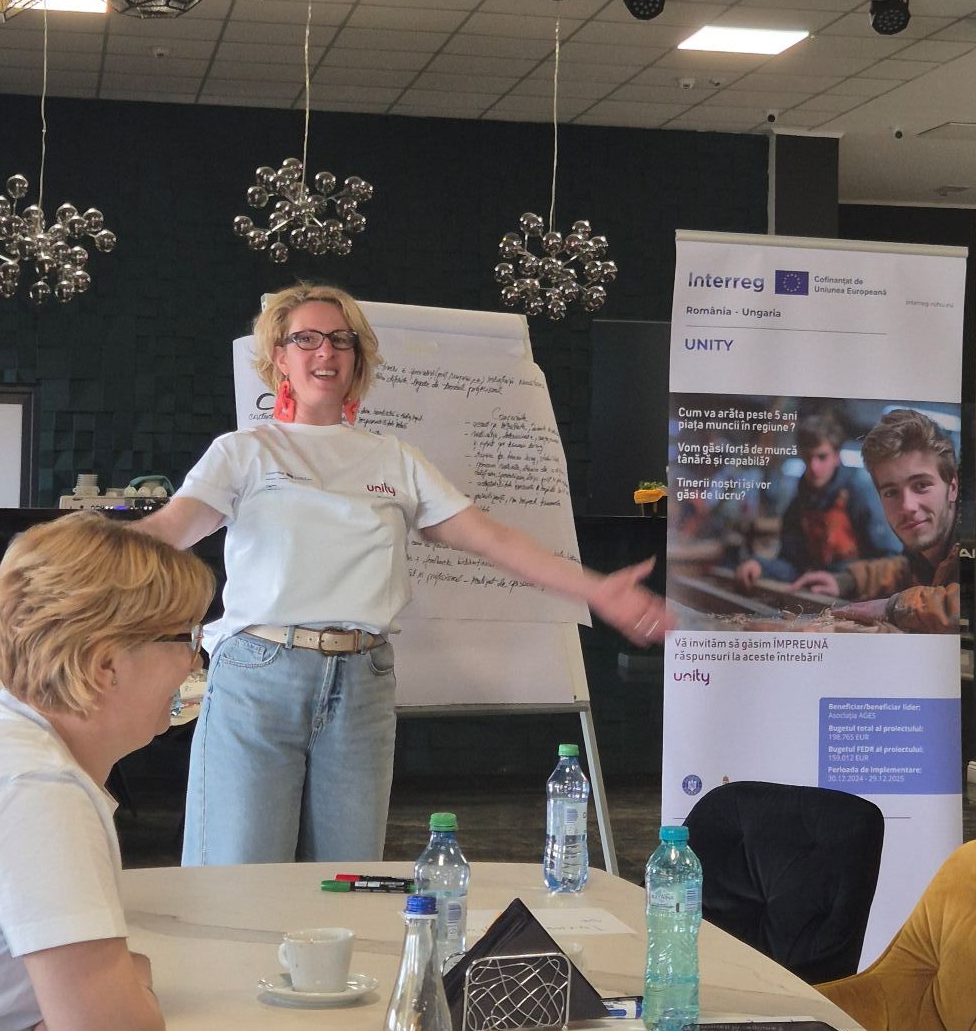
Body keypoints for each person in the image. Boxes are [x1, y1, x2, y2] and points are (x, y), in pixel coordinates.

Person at [138, 282, 672, 868]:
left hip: (362, 682)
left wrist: (597, 589)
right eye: (306, 339)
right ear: (279, 358)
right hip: (260, 678)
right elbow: (170, 528)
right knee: (238, 876)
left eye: (340, 339)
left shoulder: (394, 458)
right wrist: (75, 555)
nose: (325, 351)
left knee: (345, 878)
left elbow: (491, 539)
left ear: (357, 358)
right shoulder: (243, 452)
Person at [0, 514, 213, 1031]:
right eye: (183, 638)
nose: (194, 662)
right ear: (106, 664)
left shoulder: (1, 742)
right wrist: (122, 987)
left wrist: (80, 1005)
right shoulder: (39, 792)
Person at [791, 408, 960, 634]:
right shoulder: (921, 556)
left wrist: (893, 607)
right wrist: (846, 581)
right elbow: (902, 569)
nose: (907, 506)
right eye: (891, 492)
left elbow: (969, 603)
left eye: (921, 485)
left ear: (953, 487)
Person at [732, 409, 898, 590]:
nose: (814, 466)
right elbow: (793, 567)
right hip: (822, 593)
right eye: (807, 457)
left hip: (859, 592)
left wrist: (846, 581)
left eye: (822, 457)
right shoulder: (799, 503)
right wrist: (760, 566)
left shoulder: (860, 491)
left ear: (836, 456)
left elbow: (890, 560)